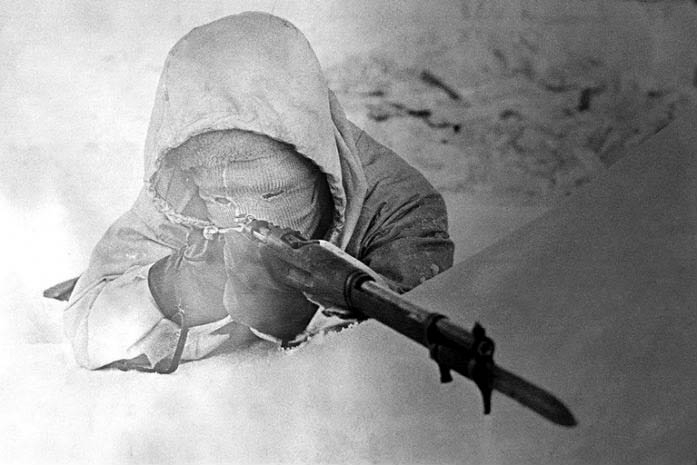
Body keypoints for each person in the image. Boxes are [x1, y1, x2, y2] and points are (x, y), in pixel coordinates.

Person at [64, 12, 454, 372]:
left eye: (271, 193)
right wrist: (169, 288)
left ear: (318, 167)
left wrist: (300, 319)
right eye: (219, 198)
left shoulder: (396, 207)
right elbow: (85, 331)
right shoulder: (178, 199)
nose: (242, 217)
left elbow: (410, 368)